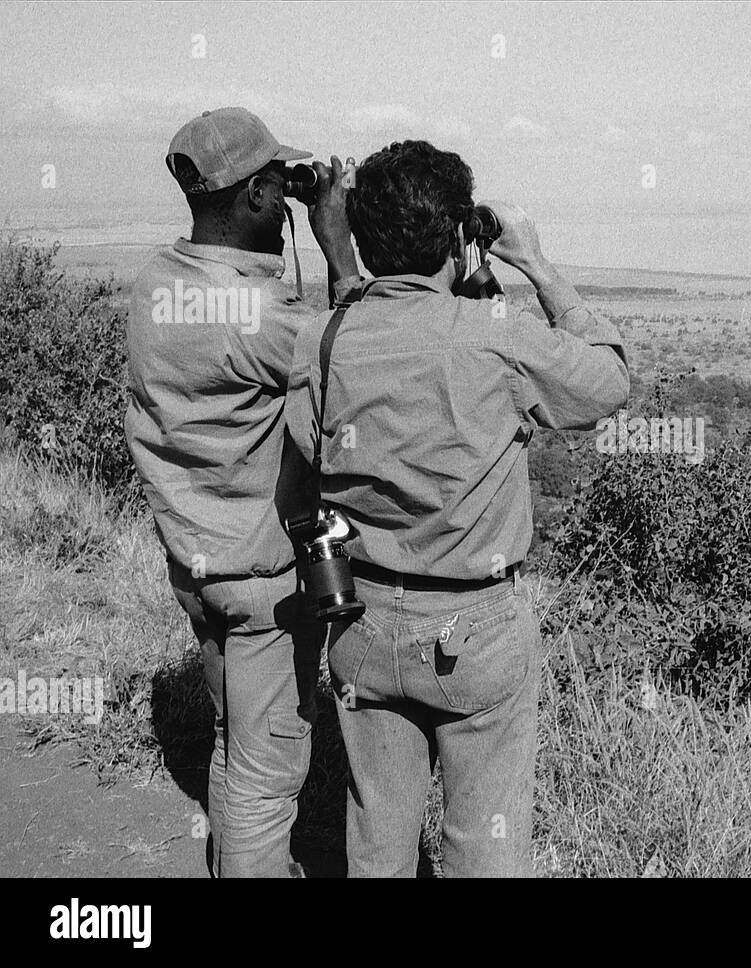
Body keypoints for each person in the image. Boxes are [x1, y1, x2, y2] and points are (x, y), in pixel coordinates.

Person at [285, 139, 629, 877]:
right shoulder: (494, 336)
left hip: (361, 617)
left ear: (366, 240)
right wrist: (536, 266)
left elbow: (307, 459)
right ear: (455, 235)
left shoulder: (326, 337)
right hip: (475, 627)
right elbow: (607, 382)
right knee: (485, 846)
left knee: (376, 836)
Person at [124, 107, 360, 877]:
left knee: (236, 744)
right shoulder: (260, 317)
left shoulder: (159, 281)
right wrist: (338, 249)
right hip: (261, 583)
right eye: (280, 188)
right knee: (267, 776)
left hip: (195, 565)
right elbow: (362, 365)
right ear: (259, 196)